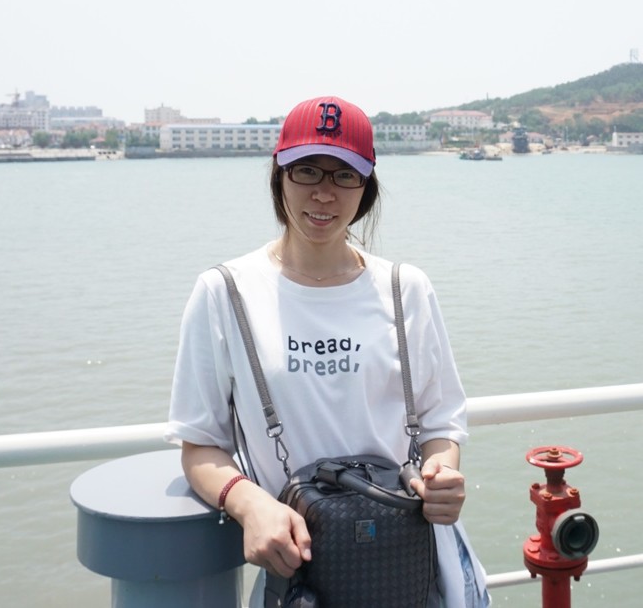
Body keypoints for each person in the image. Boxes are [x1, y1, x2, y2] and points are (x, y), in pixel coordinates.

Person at [167, 95, 490, 607]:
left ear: (367, 186)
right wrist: (250, 505)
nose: (324, 192)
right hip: (303, 571)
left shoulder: (405, 288)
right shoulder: (225, 292)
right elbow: (199, 446)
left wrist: (441, 474)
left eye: (344, 175)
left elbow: (440, 424)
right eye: (307, 171)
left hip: (415, 564)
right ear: (279, 175)